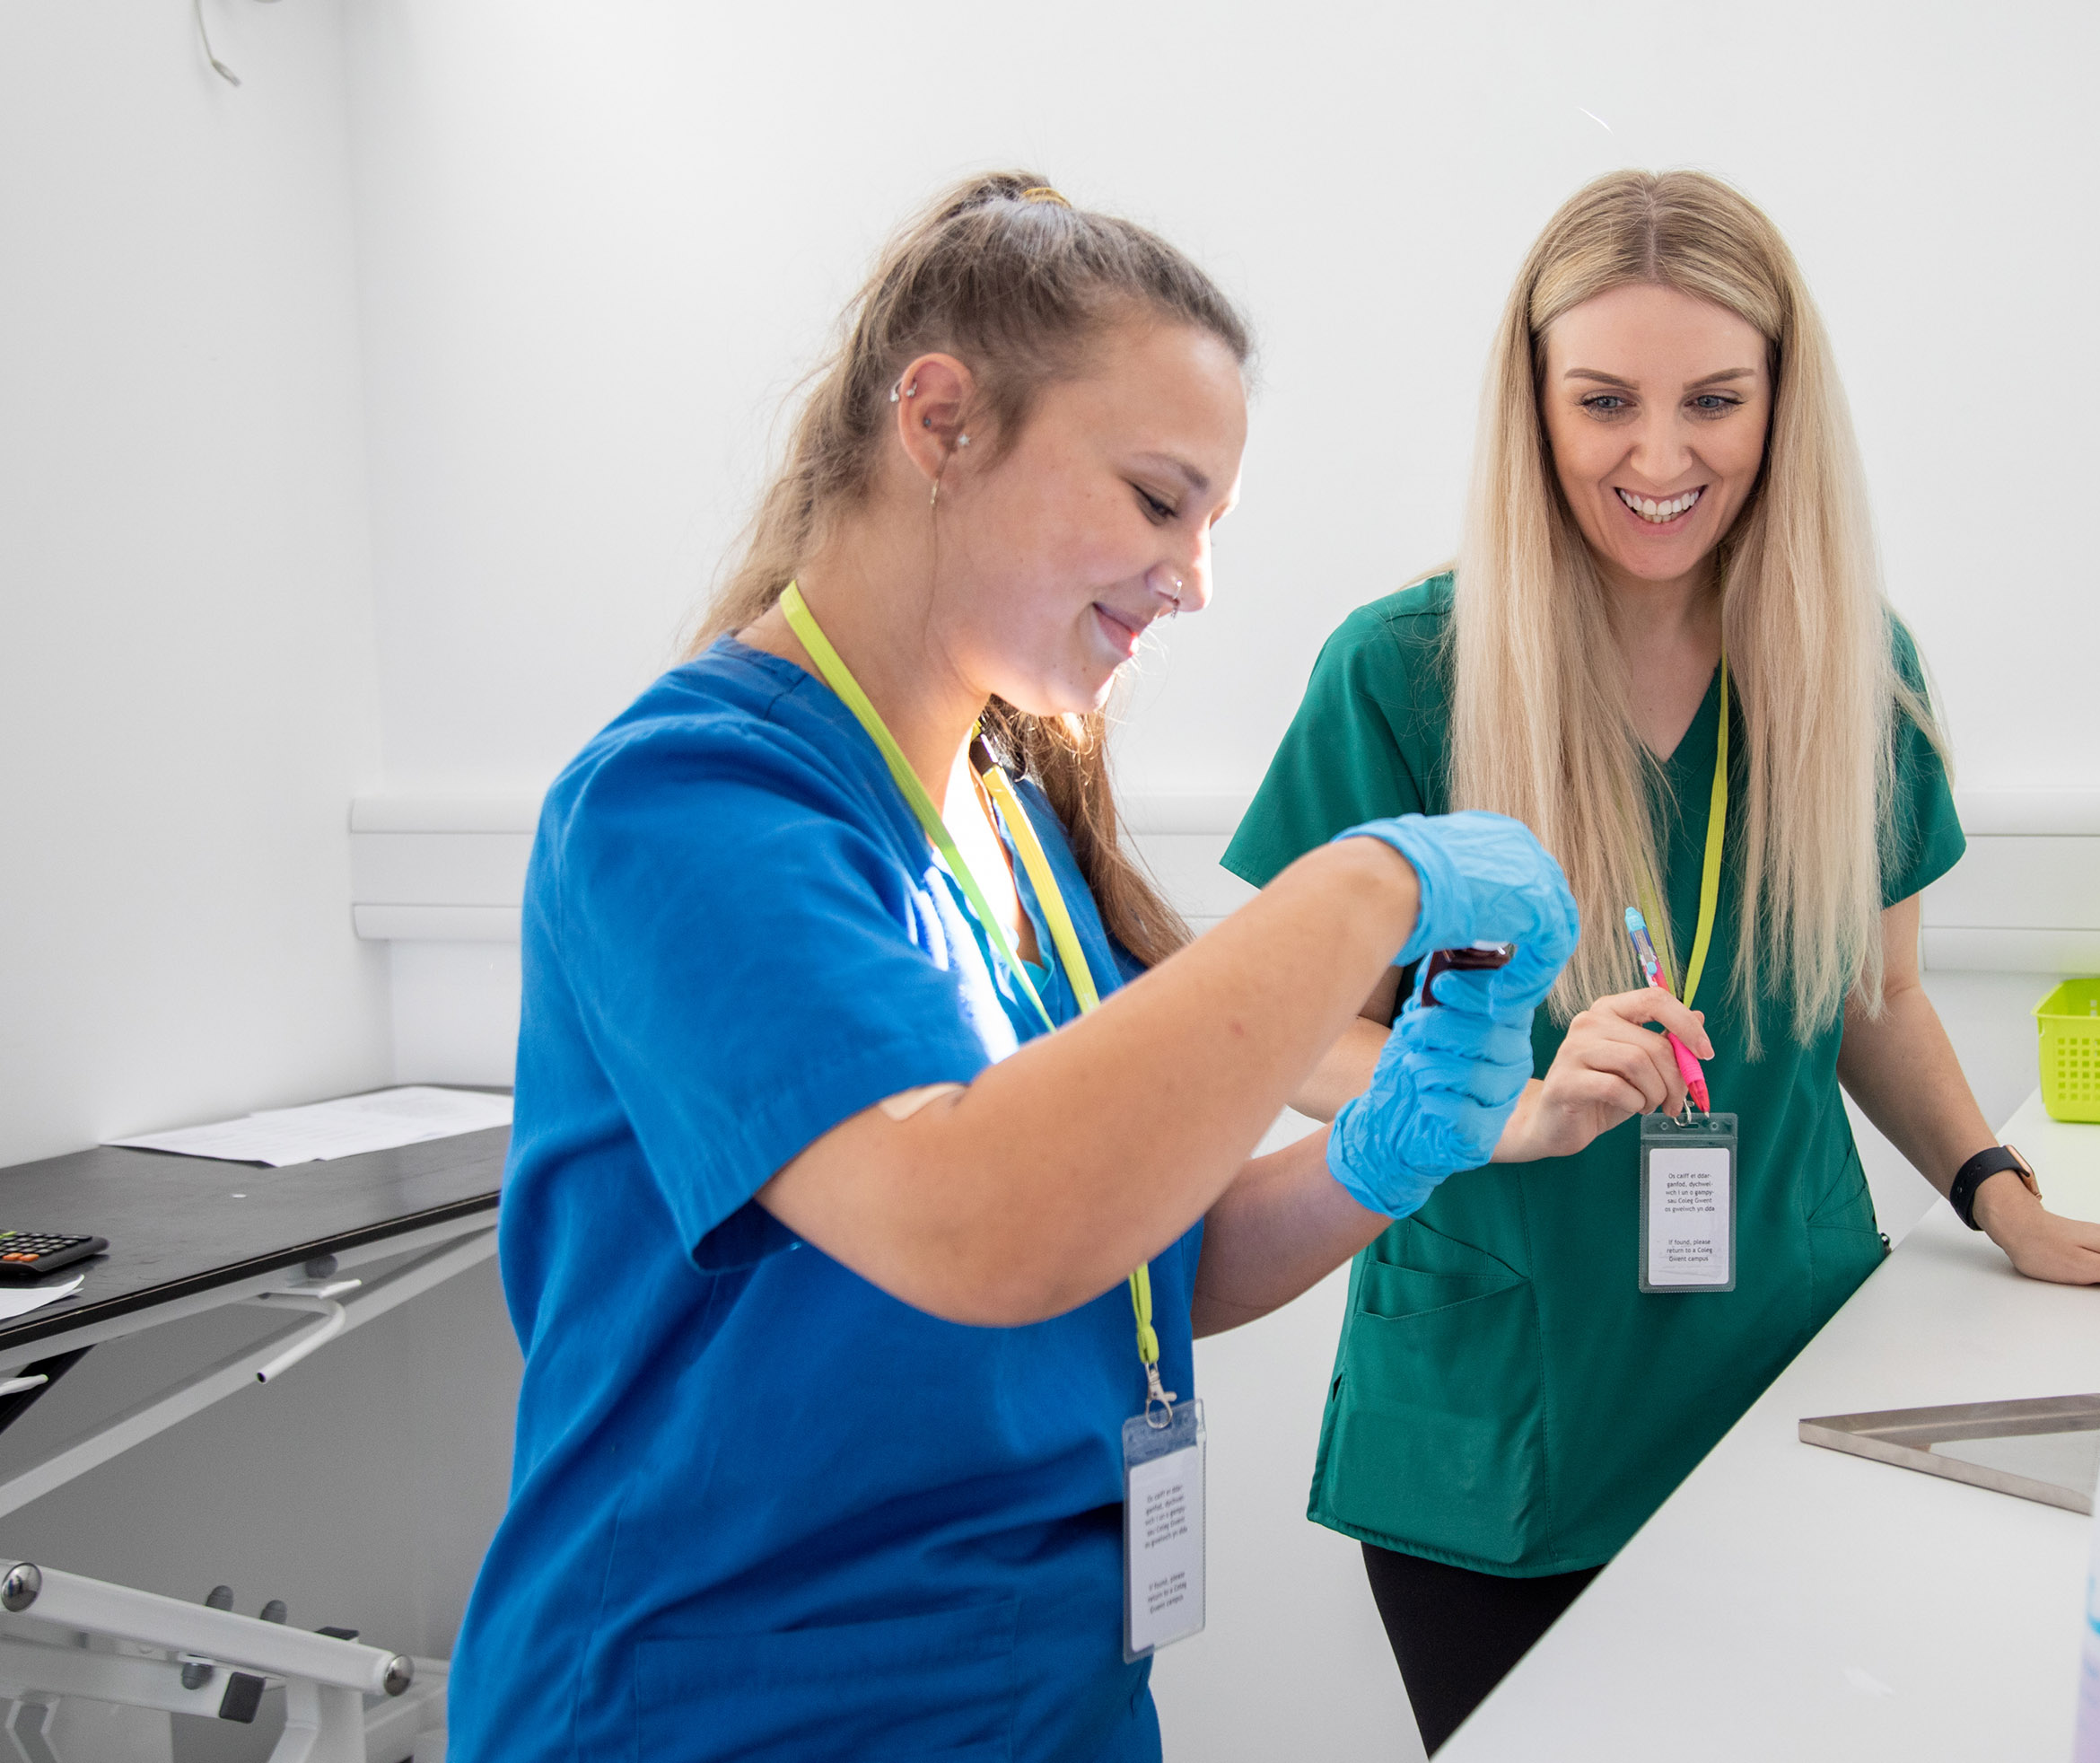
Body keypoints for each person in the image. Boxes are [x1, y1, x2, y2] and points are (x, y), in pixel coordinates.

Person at [446, 174, 1578, 1763]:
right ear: (942, 422)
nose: (1194, 578)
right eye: (1157, 499)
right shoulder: (687, 810)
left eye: (1212, 522)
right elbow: (980, 1223)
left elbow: (1128, 1258)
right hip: (735, 1711)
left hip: (1046, 1698)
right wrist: (1370, 885)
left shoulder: (1006, 816)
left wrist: (1382, 1162)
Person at [1223, 168, 2100, 1752]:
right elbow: (1285, 1043)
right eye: (1605, 403)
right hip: (1507, 1416)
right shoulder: (1401, 675)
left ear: (1783, 405)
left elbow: (1878, 996)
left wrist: (2003, 1195)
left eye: (1715, 399)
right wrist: (1497, 1104)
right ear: (1534, 411)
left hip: (1787, 1370)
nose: (1662, 458)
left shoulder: (1856, 664)